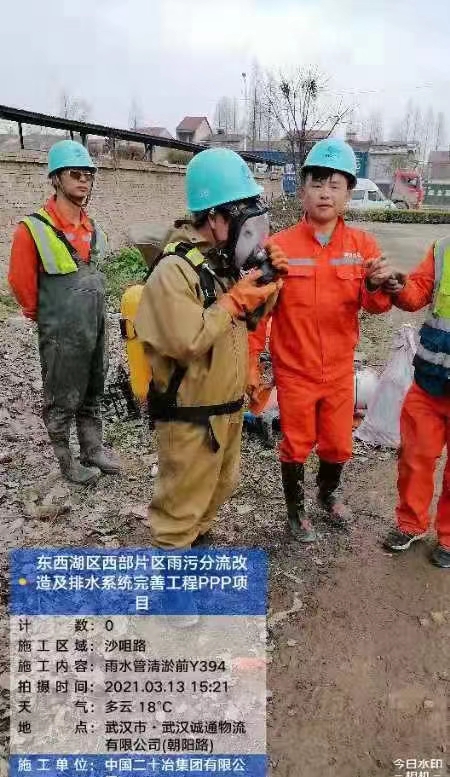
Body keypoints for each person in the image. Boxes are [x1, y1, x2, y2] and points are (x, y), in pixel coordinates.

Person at [134, 148, 287, 550]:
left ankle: (195, 549)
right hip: (190, 419)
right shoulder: (174, 271)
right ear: (216, 218)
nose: (253, 235)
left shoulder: (221, 264)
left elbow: (247, 322)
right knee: (179, 508)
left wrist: (270, 283)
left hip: (226, 410)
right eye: (245, 223)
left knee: (217, 489)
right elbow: (187, 341)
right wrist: (233, 300)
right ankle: (173, 593)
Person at [247, 139, 392, 542]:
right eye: (316, 183)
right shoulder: (278, 248)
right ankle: (295, 512)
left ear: (348, 192)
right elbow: (258, 313)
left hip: (340, 369)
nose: (325, 193)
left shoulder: (362, 247)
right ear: (303, 189)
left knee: (338, 442)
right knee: (296, 444)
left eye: (335, 185)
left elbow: (375, 306)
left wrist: (379, 286)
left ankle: (328, 495)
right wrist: (249, 363)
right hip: (295, 369)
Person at [8, 140, 120, 485]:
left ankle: (93, 448)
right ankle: (67, 462)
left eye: (88, 175)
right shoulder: (33, 229)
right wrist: (47, 318)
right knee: (62, 398)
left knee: (93, 389)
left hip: (95, 325)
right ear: (56, 179)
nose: (84, 180)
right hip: (61, 331)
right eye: (75, 174)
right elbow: (20, 282)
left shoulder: (92, 228)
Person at [369, 242, 450, 568]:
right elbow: (417, 292)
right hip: (428, 384)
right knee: (414, 459)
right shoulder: (444, 249)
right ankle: (411, 524)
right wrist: (400, 287)